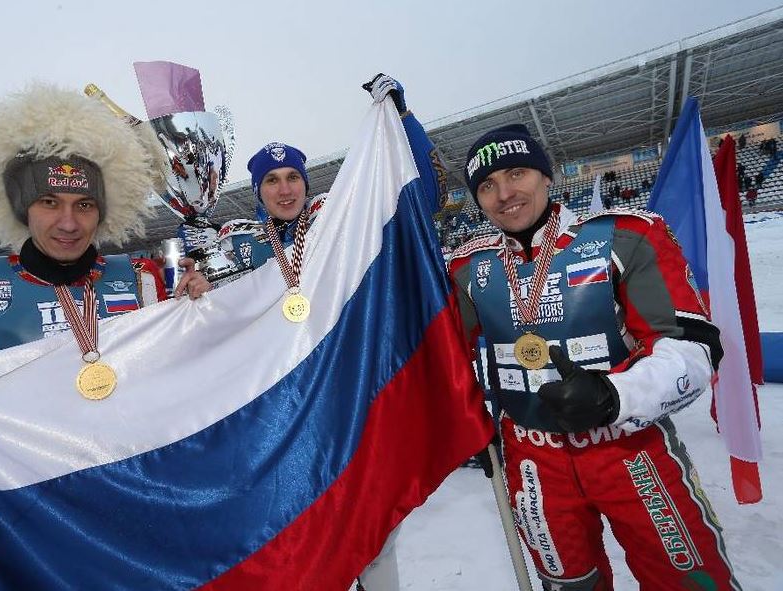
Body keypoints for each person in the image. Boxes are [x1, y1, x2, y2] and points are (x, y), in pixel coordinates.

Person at [176, 74, 448, 591]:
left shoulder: (337, 220)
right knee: (297, 531)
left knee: (374, 527)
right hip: (276, 413)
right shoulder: (235, 244)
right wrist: (192, 285)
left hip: (347, 396)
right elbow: (203, 321)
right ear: (257, 191)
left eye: (292, 177)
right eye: (272, 180)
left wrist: (403, 121)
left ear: (306, 182)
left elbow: (420, 195)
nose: (284, 188)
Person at [448, 124, 738, 589]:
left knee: (687, 580)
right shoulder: (467, 268)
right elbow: (436, 357)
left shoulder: (624, 237)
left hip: (628, 447)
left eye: (517, 173)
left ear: (548, 176)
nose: (504, 193)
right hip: (531, 459)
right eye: (486, 185)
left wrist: (613, 394)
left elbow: (694, 347)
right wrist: (465, 426)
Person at [0, 84, 166, 420]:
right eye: (49, 202)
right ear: (24, 209)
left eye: (84, 204)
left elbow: (183, 372)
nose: (69, 224)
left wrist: (207, 303)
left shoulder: (142, 279)